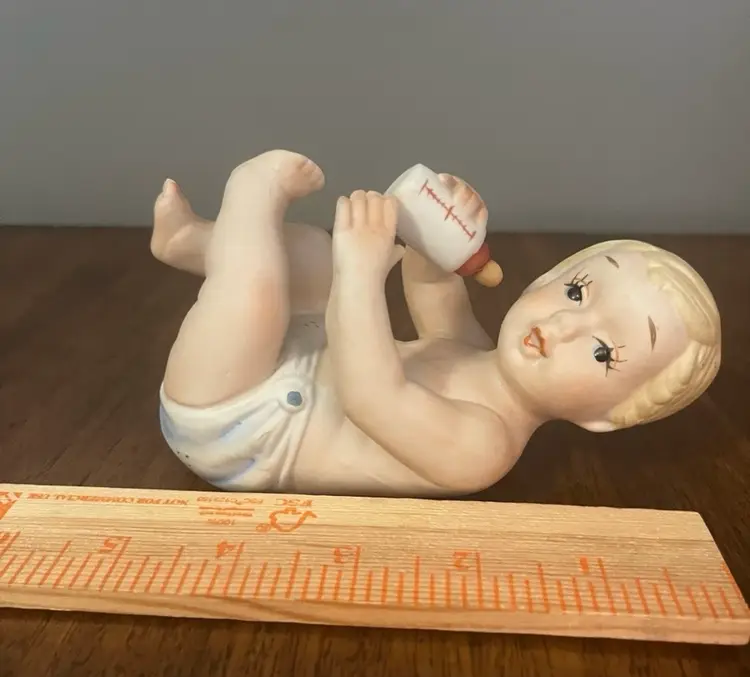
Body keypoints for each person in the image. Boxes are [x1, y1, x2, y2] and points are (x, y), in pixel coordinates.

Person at [150, 150, 721, 497]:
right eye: (576, 291)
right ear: (544, 279)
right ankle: (191, 242)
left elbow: (370, 396)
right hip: (296, 356)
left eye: (603, 352)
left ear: (605, 416)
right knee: (312, 258)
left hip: (241, 423)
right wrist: (444, 233)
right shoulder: (472, 351)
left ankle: (251, 188)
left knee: (256, 293)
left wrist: (361, 270)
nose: (565, 325)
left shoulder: (484, 448)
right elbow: (431, 287)